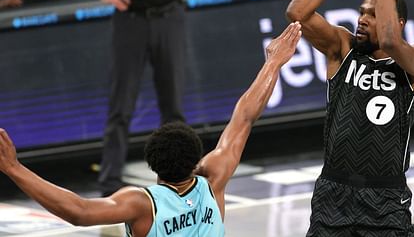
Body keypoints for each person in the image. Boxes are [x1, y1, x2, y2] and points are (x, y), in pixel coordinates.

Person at [0, 22, 302, 237]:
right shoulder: (213, 179)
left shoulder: (142, 204)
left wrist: (14, 168)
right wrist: (273, 63)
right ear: (197, 160)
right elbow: (245, 116)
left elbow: (78, 211)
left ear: (151, 164)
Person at [286, 0, 414, 236]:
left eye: (374, 14)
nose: (364, 19)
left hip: (385, 199)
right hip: (332, 194)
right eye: (362, 13)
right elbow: (297, 12)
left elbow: (391, 42)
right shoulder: (342, 47)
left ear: (398, 23)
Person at [72, 0, 197, 197]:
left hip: (170, 17)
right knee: (121, 106)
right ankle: (110, 182)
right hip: (131, 20)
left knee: (173, 107)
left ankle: (178, 180)